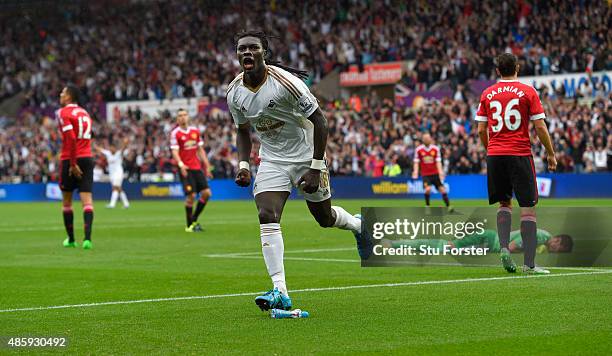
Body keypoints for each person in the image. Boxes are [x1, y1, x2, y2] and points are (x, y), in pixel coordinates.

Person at [226, 30, 371, 312]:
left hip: (307, 157)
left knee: (324, 218)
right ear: (237, 54)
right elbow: (242, 130)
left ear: (263, 53)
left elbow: (321, 121)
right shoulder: (234, 92)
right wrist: (243, 165)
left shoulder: (286, 83)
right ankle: (280, 289)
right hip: (272, 160)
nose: (247, 52)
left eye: (253, 47)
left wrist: (316, 168)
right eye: (242, 48)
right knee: (266, 214)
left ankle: (358, 226)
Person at [475, 53, 557, 274]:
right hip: (519, 153)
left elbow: (481, 129)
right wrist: (550, 153)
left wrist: (489, 149)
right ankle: (529, 265)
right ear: (517, 68)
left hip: (495, 155)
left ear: (498, 71)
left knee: (504, 204)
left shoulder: (487, 93)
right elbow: (540, 127)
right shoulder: (528, 92)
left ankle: (503, 248)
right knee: (528, 209)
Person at [56, 85, 95, 250]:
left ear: (69, 97)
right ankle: (87, 240)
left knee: (67, 202)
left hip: (70, 158)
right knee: (87, 202)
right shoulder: (85, 113)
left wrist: (72, 163)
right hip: (87, 157)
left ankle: (71, 239)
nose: (60, 94)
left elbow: (71, 138)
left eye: (63, 92)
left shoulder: (63, 112)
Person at [170, 109, 213, 233]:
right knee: (192, 196)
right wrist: (180, 165)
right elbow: (174, 151)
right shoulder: (175, 133)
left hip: (196, 167)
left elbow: (200, 150)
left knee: (206, 193)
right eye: (180, 116)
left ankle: (193, 219)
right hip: (186, 169)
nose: (182, 117)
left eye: (184, 115)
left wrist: (207, 166)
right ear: (177, 119)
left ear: (188, 117)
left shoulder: (195, 131)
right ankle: (189, 225)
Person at [383, 228, 573, 256]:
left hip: (489, 242)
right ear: (557, 241)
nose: (557, 252)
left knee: (445, 247)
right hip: (487, 241)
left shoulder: (543, 243)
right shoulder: (541, 237)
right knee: (446, 247)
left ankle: (398, 244)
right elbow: (516, 243)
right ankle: (397, 244)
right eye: (560, 248)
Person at [412, 133, 452, 211]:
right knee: (428, 189)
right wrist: (415, 171)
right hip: (426, 175)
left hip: (435, 174)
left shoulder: (435, 149)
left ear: (430, 139)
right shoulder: (418, 150)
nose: (427, 139)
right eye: (425, 138)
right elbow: (416, 162)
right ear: (423, 140)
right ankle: (427, 206)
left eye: (428, 138)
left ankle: (448, 206)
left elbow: (438, 162)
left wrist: (441, 172)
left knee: (443, 190)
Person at [96, 138, 130, 209]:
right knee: (119, 188)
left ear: (115, 148)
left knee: (115, 187)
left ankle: (112, 204)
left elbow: (123, 149)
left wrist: (125, 143)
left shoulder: (118, 153)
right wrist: (93, 144)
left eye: (112, 148)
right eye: (110, 148)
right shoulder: (108, 153)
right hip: (112, 174)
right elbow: (100, 150)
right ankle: (126, 203)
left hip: (118, 173)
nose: (111, 149)